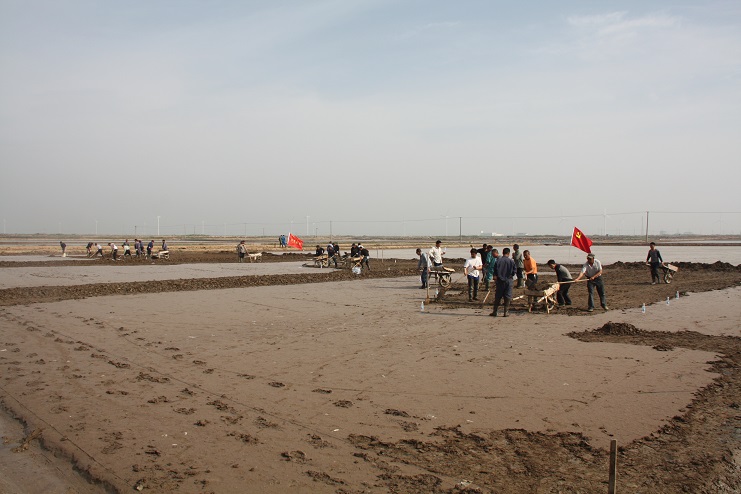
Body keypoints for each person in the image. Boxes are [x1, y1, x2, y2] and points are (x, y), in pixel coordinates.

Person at [491, 247, 516, 317]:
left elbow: (495, 271)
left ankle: (495, 311)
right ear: (508, 253)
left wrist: (496, 276)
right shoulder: (511, 261)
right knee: (507, 296)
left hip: (500, 280)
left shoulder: (498, 261)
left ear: (502, 253)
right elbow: (514, 271)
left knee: (498, 296)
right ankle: (506, 312)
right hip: (508, 280)